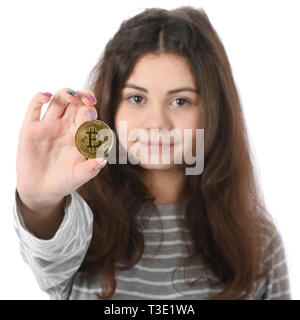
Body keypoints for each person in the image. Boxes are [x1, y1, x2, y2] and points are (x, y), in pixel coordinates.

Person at [13, 6, 291, 300]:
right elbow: (49, 244)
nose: (157, 123)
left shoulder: (258, 242)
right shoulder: (82, 222)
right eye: (136, 98)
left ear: (212, 111)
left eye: (180, 101)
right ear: (111, 107)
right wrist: (38, 201)